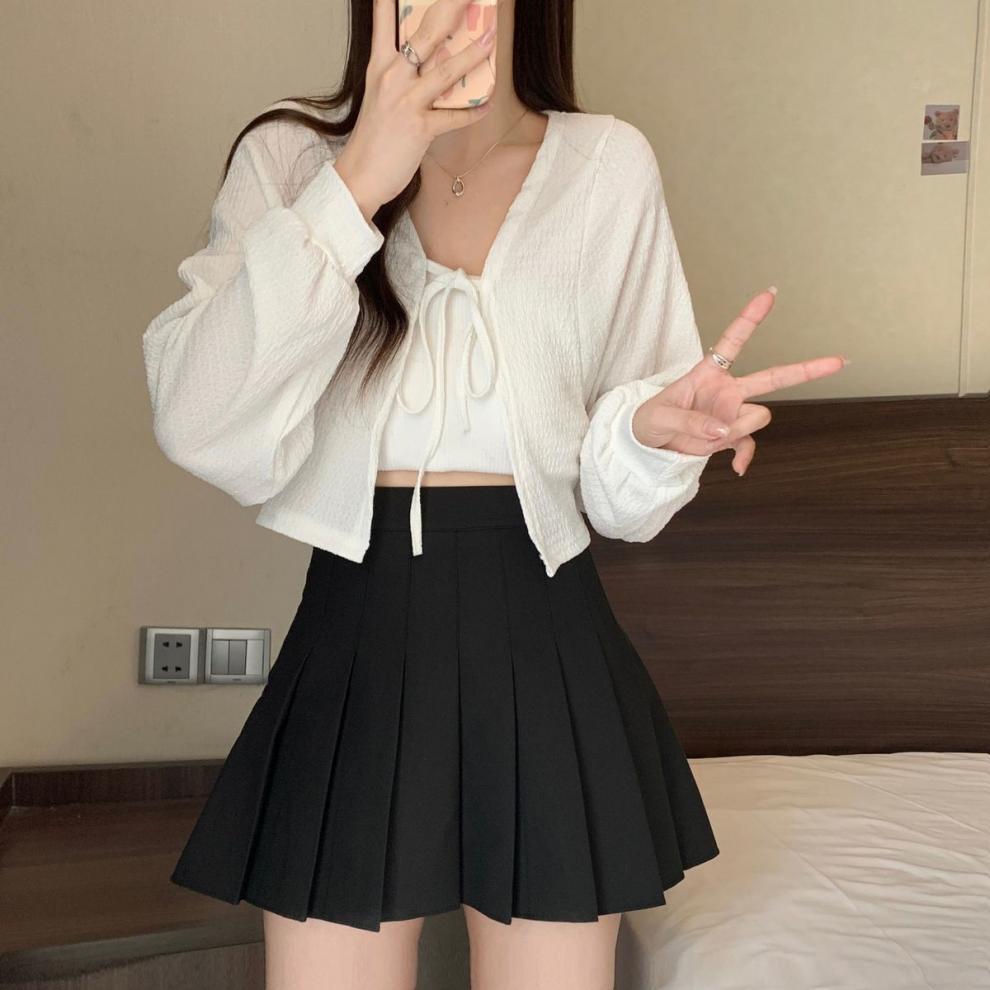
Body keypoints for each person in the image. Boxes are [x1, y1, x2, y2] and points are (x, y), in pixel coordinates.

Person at [142, 0, 846, 986]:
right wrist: (357, 182)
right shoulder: (291, 159)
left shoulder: (606, 165)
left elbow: (621, 501)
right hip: (356, 628)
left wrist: (647, 435)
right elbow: (200, 419)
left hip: (545, 626)